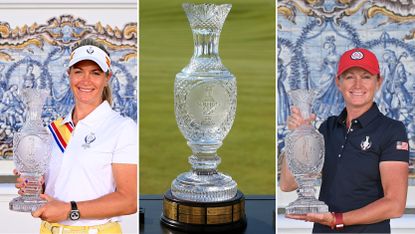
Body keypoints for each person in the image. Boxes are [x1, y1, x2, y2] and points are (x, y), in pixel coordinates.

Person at [14, 38, 137, 233]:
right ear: (69, 75)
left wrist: (68, 210)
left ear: (107, 78)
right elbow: (54, 188)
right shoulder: (52, 130)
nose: (85, 80)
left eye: (95, 73)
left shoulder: (122, 128)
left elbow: (129, 200)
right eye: (78, 71)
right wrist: (33, 187)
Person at [280, 48, 409, 233]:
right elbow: (288, 184)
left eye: (366, 76)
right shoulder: (328, 127)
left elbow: (394, 205)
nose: (357, 85)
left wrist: (336, 220)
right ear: (338, 83)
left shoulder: (392, 130)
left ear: (378, 82)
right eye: (349, 77)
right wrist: (296, 135)